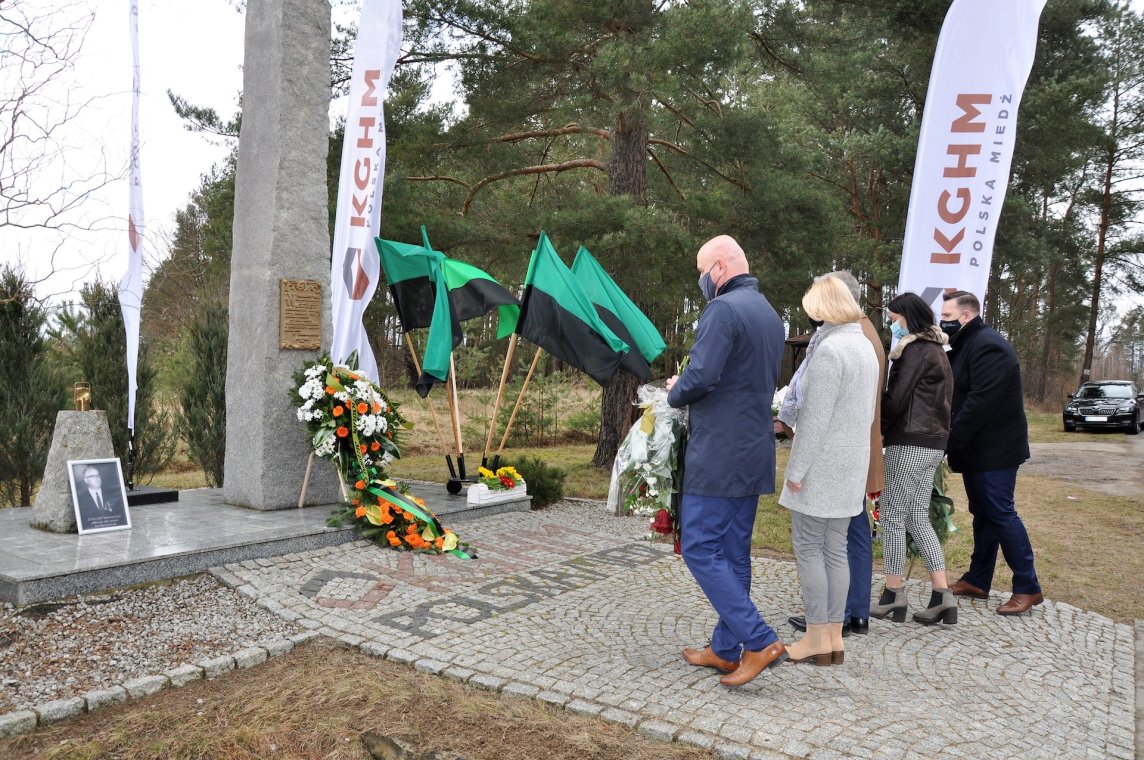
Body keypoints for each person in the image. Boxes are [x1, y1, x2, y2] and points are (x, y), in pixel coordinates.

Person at [665, 234, 788, 687]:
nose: (701, 280)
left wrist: (674, 390)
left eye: (702, 271)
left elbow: (702, 376)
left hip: (719, 452)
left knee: (699, 546)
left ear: (718, 268)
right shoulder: (769, 313)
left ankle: (759, 640)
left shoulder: (722, 309)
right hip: (753, 448)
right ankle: (724, 648)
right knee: (734, 553)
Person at [779, 275, 878, 665]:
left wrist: (796, 471)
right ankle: (834, 638)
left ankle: (816, 637)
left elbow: (815, 422)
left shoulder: (830, 351)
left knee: (809, 548)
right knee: (835, 550)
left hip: (822, 465)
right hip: (851, 463)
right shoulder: (864, 345)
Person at [940, 291, 1043, 615]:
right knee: (983, 514)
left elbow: (980, 403)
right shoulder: (966, 344)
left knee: (1000, 513)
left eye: (947, 316)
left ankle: (1028, 586)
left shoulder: (989, 346)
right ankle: (978, 578)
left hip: (995, 449)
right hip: (977, 449)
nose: (942, 321)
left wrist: (950, 439)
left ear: (966, 316)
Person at [869, 292, 956, 625]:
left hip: (909, 441)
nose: (892, 324)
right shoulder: (937, 350)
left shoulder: (915, 351)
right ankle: (942, 595)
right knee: (917, 517)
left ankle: (893, 593)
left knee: (892, 514)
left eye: (894, 319)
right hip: (932, 443)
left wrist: (877, 428)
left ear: (907, 317)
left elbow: (896, 399)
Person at [74, 464, 126, 529]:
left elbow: (120, 515)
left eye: (98, 475)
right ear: (86, 480)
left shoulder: (112, 494)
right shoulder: (80, 498)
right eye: (92, 476)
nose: (97, 478)